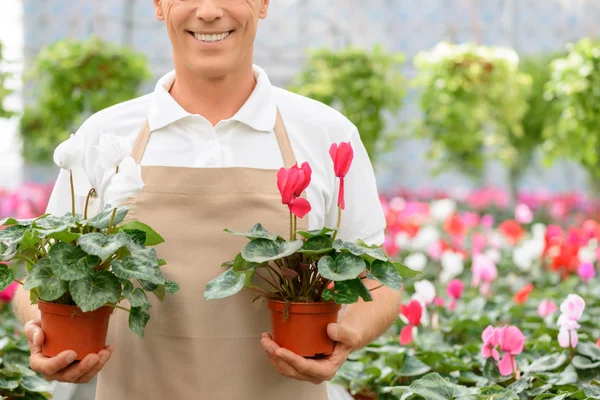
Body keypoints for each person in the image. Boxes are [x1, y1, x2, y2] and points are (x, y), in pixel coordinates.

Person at [13, 1, 400, 399]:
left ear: (264, 4)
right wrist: (41, 328)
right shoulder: (105, 137)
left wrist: (349, 332)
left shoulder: (325, 133)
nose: (210, 11)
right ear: (160, 6)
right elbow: (39, 278)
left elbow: (378, 282)